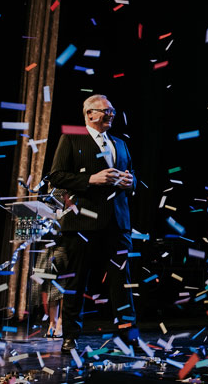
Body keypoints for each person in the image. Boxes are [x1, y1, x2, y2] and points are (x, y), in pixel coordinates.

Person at [49, 94, 138, 353]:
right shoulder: (71, 138)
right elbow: (56, 176)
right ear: (89, 114)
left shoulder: (120, 143)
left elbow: (132, 176)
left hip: (117, 222)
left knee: (122, 281)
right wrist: (91, 179)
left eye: (112, 111)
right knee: (76, 281)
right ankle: (70, 336)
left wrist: (130, 183)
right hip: (82, 223)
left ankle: (128, 335)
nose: (111, 115)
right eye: (105, 111)